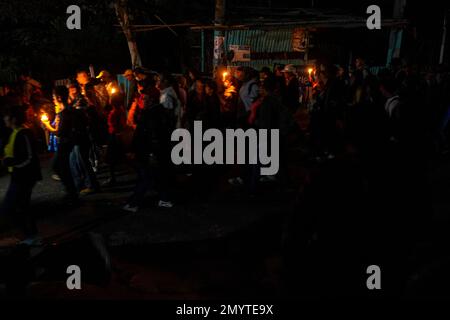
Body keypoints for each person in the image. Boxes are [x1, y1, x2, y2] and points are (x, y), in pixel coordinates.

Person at [123, 80, 174, 213]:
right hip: (156, 151)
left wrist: (148, 152)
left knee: (145, 177)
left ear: (151, 99)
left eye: (145, 98)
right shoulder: (158, 112)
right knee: (157, 176)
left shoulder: (150, 114)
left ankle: (134, 203)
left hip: (150, 152)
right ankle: (165, 199)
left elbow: (149, 135)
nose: (142, 100)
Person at [1, 106, 42, 245]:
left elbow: (29, 157)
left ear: (13, 118)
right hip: (19, 176)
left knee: (10, 206)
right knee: (22, 206)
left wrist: (10, 162)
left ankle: (30, 235)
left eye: (6, 116)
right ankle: (31, 235)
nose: (4, 119)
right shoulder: (15, 132)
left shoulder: (24, 133)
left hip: (24, 177)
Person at [104, 95, 127, 186]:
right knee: (117, 157)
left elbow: (115, 125)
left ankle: (112, 178)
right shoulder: (119, 110)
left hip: (114, 136)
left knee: (111, 158)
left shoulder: (115, 112)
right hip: (116, 135)